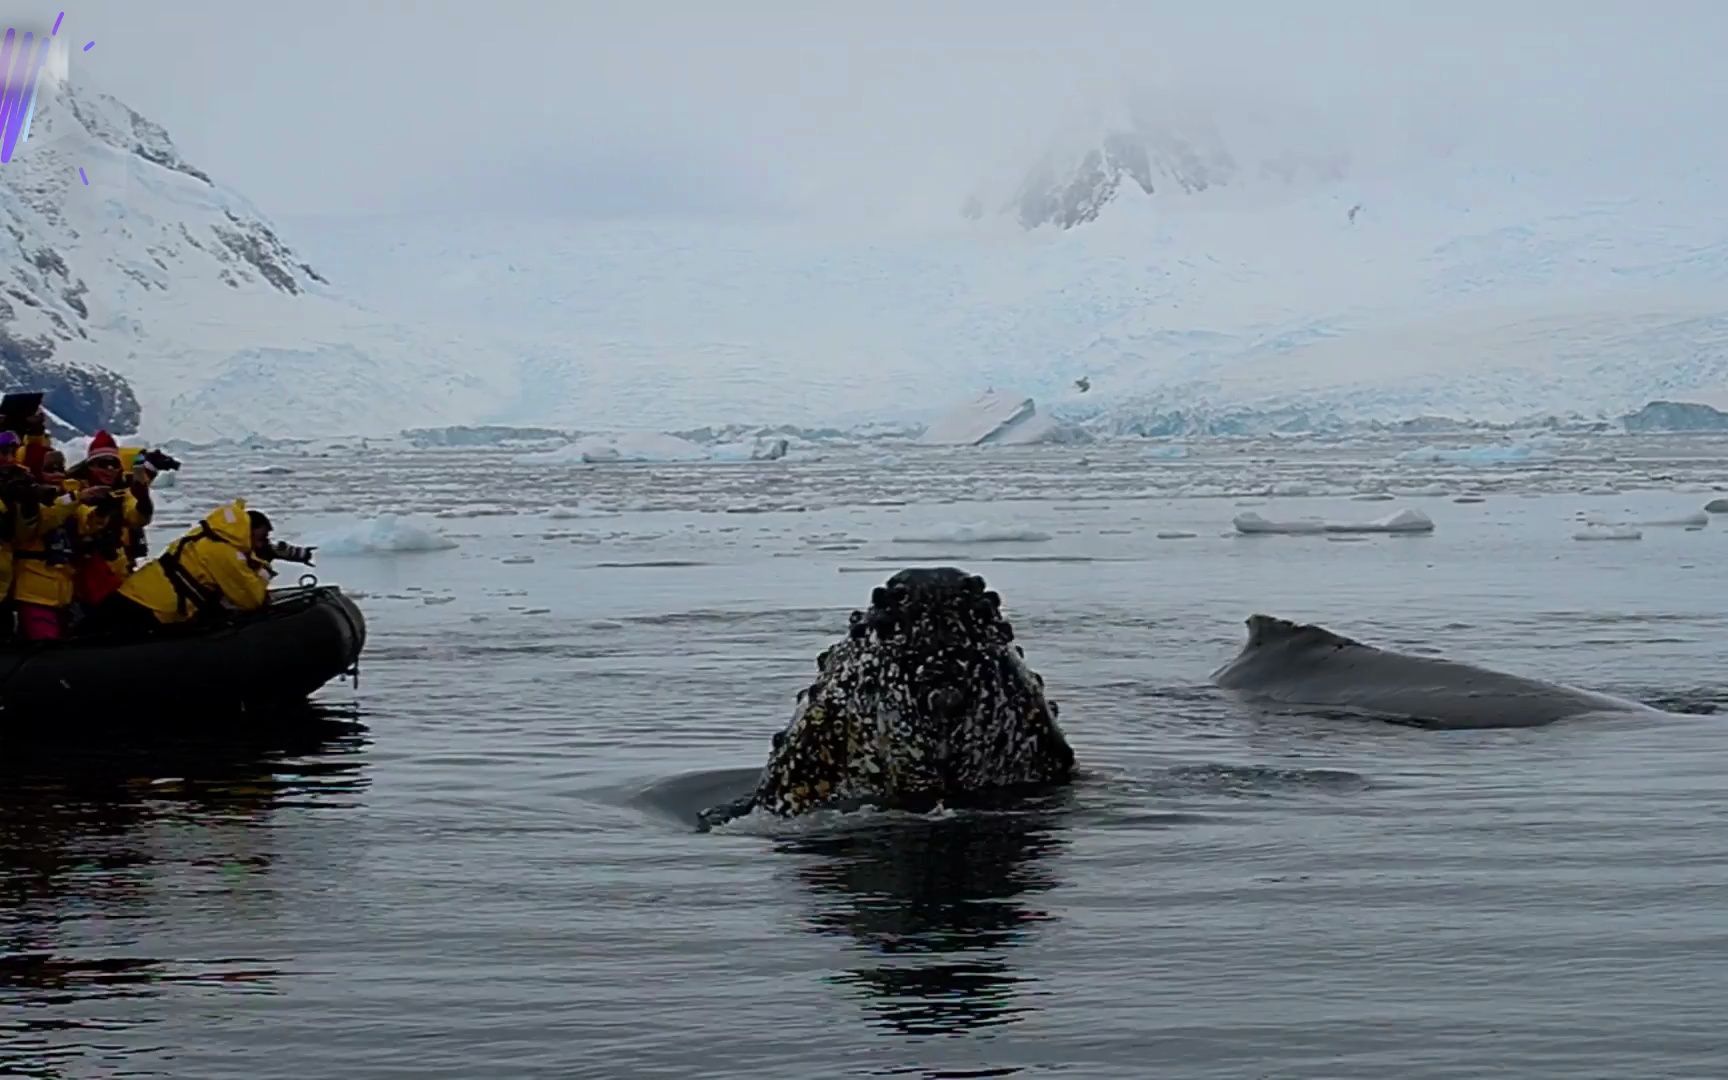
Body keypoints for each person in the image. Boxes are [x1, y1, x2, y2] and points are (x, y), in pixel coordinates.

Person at [83, 499, 282, 636]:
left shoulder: (207, 535)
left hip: (134, 594)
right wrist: (263, 567)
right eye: (261, 539)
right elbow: (252, 599)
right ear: (247, 533)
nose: (262, 545)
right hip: (151, 608)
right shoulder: (226, 554)